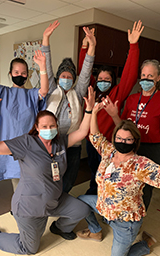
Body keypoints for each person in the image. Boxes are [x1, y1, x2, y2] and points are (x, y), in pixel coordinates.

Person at [0, 85, 95, 255]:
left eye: (52, 126)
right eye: (45, 127)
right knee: (29, 248)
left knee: (82, 210)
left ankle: (59, 227)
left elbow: (83, 131)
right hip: (29, 209)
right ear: (37, 127)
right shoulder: (26, 143)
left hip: (55, 202)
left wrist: (90, 110)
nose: (49, 130)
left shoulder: (60, 142)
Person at [76, 104, 160, 256]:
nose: (122, 142)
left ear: (135, 141)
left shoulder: (140, 164)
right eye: (119, 138)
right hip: (104, 207)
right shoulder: (109, 152)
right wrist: (93, 112)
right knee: (80, 200)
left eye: (127, 139)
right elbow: (95, 136)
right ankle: (95, 231)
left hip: (126, 223)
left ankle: (146, 244)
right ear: (114, 138)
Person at [79, 20, 144, 195]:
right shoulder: (92, 91)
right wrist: (84, 47)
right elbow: (83, 72)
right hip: (91, 142)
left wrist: (133, 45)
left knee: (109, 175)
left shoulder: (117, 94)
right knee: (94, 173)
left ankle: (104, 199)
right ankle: (94, 195)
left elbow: (130, 75)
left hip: (108, 145)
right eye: (100, 79)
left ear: (113, 82)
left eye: (107, 80)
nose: (103, 82)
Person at [103, 60, 160, 209]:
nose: (145, 79)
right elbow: (123, 126)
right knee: (122, 180)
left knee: (146, 186)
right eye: (143, 75)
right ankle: (119, 210)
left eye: (150, 75)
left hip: (150, 149)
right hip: (129, 146)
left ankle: (138, 217)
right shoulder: (132, 99)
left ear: (158, 78)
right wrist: (113, 115)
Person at [0, 39, 48, 190]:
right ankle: (20, 211)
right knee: (18, 184)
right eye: (16, 72)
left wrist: (42, 66)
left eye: (24, 73)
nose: (20, 75)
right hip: (9, 146)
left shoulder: (31, 95)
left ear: (28, 76)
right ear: (10, 74)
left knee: (34, 184)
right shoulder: (1, 92)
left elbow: (44, 90)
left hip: (29, 148)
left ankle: (30, 210)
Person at [41, 20, 96, 193]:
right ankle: (50, 199)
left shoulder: (77, 92)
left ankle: (62, 201)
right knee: (48, 177)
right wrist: (46, 38)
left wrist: (92, 46)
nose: (66, 78)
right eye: (63, 75)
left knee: (70, 178)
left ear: (73, 79)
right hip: (52, 142)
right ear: (58, 78)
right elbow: (47, 65)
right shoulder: (51, 89)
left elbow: (86, 70)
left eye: (69, 76)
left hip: (73, 144)